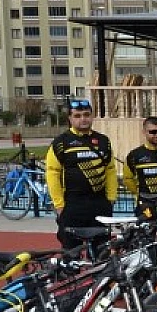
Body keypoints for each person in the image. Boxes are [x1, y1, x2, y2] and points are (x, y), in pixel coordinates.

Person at [45, 98, 117, 249]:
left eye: (86, 115)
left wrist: (111, 198)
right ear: (70, 118)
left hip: (99, 203)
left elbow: (110, 170)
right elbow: (52, 174)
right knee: (71, 253)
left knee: (102, 251)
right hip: (72, 204)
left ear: (91, 116)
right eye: (77, 116)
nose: (83, 119)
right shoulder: (60, 143)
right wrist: (59, 206)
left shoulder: (103, 141)